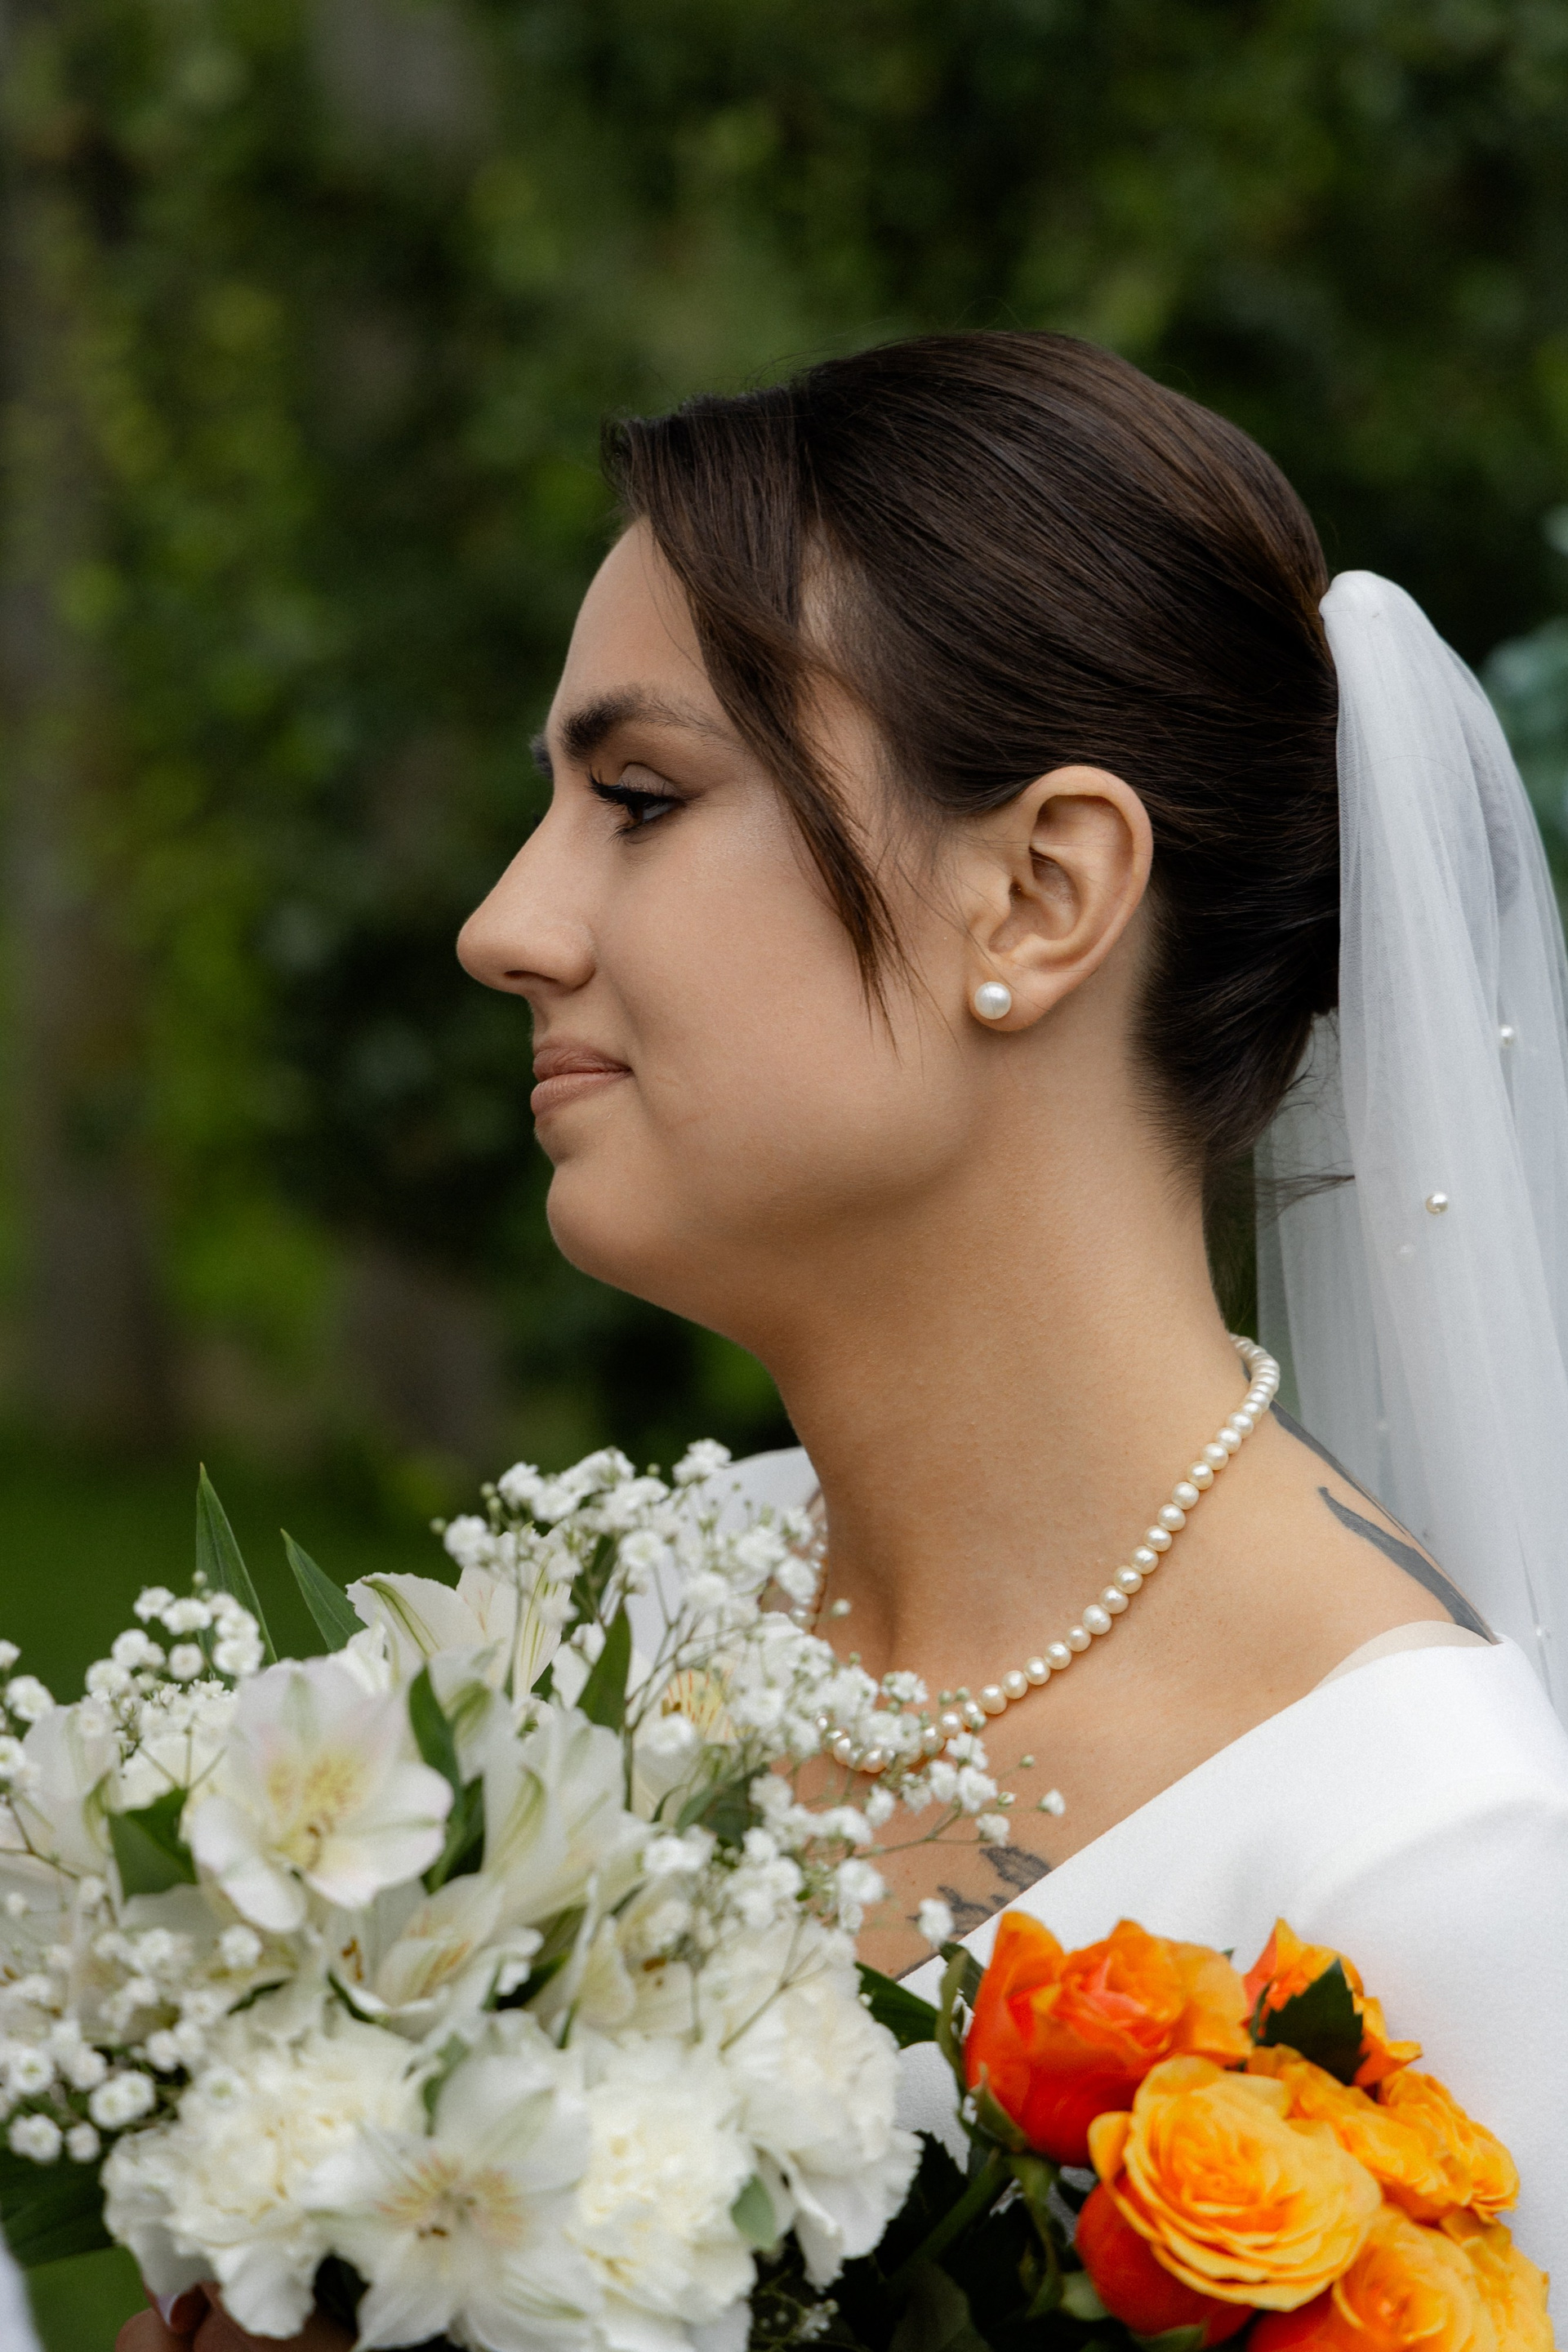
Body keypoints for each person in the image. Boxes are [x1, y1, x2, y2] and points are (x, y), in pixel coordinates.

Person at [113, 332, 1568, 2351]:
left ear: (1040, 893)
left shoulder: (1431, 1862)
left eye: (638, 799)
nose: (506, 925)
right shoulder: (609, 1626)